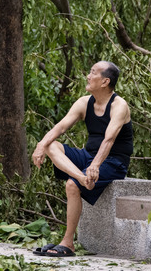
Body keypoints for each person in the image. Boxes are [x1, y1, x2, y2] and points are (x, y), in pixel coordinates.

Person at [31, 61, 133, 258]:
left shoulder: (119, 106)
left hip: (113, 162)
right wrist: (41, 145)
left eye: (92, 72)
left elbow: (109, 139)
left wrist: (95, 165)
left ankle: (68, 243)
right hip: (88, 158)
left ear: (105, 81)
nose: (88, 76)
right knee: (52, 144)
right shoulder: (84, 102)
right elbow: (60, 127)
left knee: (72, 185)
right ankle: (80, 176)